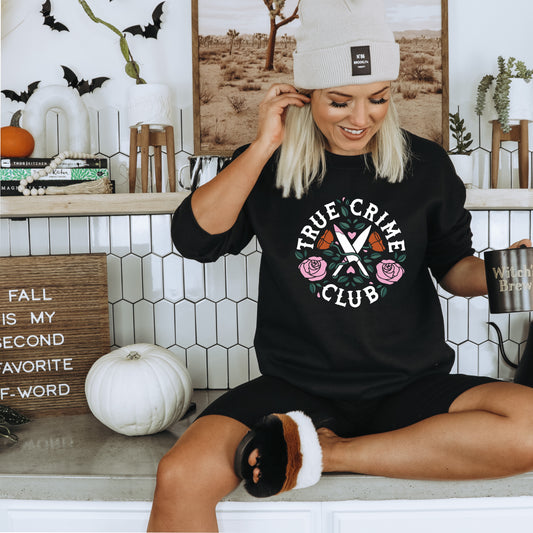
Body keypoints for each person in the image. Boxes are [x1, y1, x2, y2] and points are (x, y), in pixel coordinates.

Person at [148, 0, 533, 530]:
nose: (361, 118)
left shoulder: (426, 167)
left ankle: (327, 453)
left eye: (377, 99)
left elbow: (453, 271)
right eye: (340, 101)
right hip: (295, 389)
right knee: (179, 475)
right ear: (303, 97)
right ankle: (312, 443)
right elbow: (194, 240)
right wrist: (262, 146)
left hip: (410, 386)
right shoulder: (268, 164)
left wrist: (510, 272)